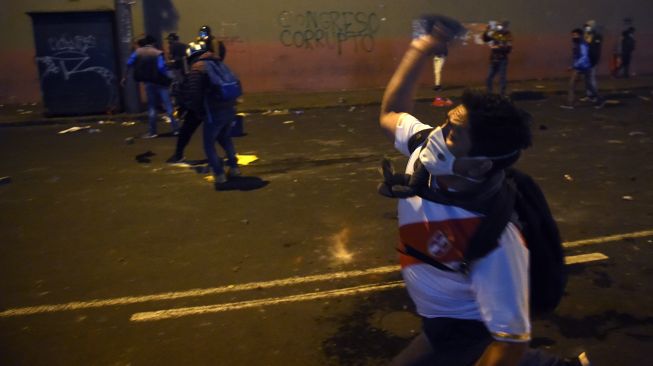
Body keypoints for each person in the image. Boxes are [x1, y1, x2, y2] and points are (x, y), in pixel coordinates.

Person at [379, 19, 590, 366]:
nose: (435, 135)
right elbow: (390, 112)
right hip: (438, 317)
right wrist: (421, 48)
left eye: (451, 134)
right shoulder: (426, 157)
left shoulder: (496, 241)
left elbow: (510, 343)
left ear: (479, 166)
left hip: (463, 325)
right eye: (445, 122)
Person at [180, 41, 240, 189]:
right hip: (229, 108)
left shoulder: (198, 68)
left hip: (214, 111)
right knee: (225, 138)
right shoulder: (219, 63)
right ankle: (234, 168)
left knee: (209, 144)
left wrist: (197, 111)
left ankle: (219, 175)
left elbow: (194, 93)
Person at [122, 35, 179, 138]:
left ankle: (152, 132)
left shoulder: (138, 52)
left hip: (148, 82)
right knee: (168, 106)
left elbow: (129, 63)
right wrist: (168, 76)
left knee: (152, 107)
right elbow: (161, 67)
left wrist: (125, 77)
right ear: (152, 43)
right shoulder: (157, 53)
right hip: (160, 82)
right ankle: (176, 129)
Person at [561, 29, 602, 110]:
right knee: (588, 85)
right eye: (572, 35)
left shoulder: (582, 44)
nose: (573, 37)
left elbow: (583, 57)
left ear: (579, 35)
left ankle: (570, 103)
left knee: (572, 85)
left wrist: (574, 66)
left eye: (575, 35)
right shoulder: (578, 43)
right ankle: (600, 100)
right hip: (585, 67)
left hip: (581, 67)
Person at [482, 20, 512, 96]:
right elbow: (485, 39)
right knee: (489, 78)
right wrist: (487, 30)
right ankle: (489, 94)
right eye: (499, 26)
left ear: (505, 27)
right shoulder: (495, 34)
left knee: (502, 78)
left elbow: (508, 49)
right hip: (494, 59)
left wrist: (499, 47)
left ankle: (502, 95)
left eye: (501, 26)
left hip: (502, 59)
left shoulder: (508, 35)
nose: (499, 27)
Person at [581, 20, 604, 107]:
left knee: (591, 79)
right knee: (587, 79)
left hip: (592, 60)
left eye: (588, 26)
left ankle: (595, 96)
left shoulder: (597, 36)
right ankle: (589, 95)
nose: (586, 28)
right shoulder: (587, 35)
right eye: (586, 26)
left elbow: (595, 49)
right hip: (586, 61)